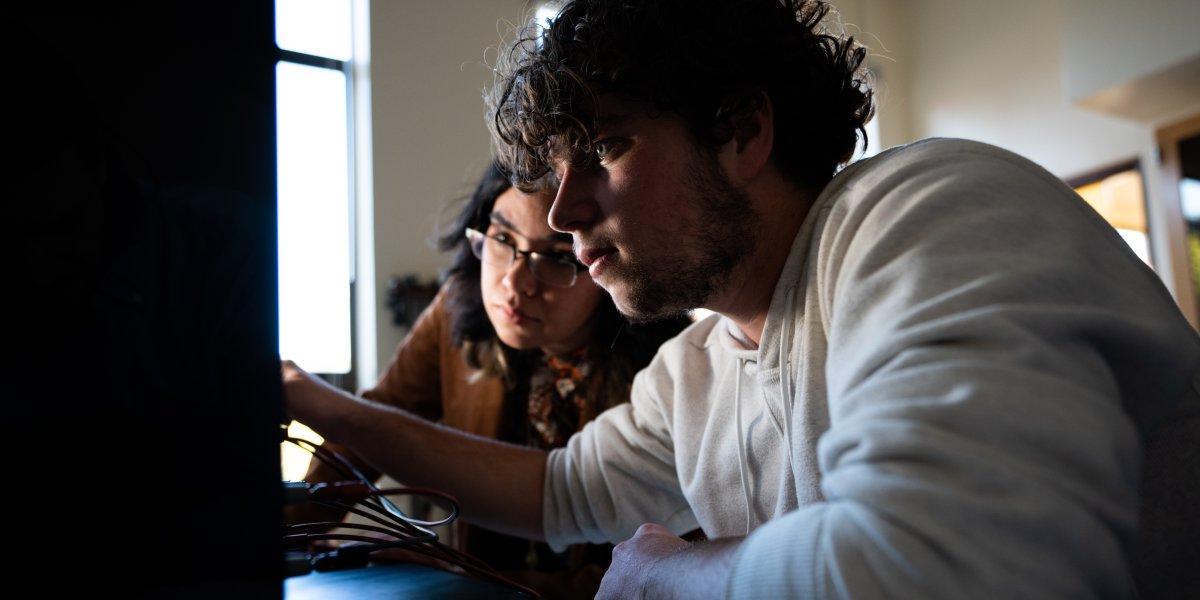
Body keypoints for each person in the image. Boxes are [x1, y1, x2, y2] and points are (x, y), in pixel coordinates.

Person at [286, 1, 1200, 597]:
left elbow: (955, 566)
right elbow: (559, 491)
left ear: (742, 131)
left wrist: (664, 579)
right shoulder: (700, 363)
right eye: (553, 174)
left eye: (603, 149)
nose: (565, 213)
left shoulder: (929, 210)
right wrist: (309, 399)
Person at [284, 162, 689, 598]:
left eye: (556, 257)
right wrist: (287, 535)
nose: (514, 283)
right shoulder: (456, 312)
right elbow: (365, 436)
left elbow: (670, 569)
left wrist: (464, 572)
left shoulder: (672, 370)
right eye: (501, 239)